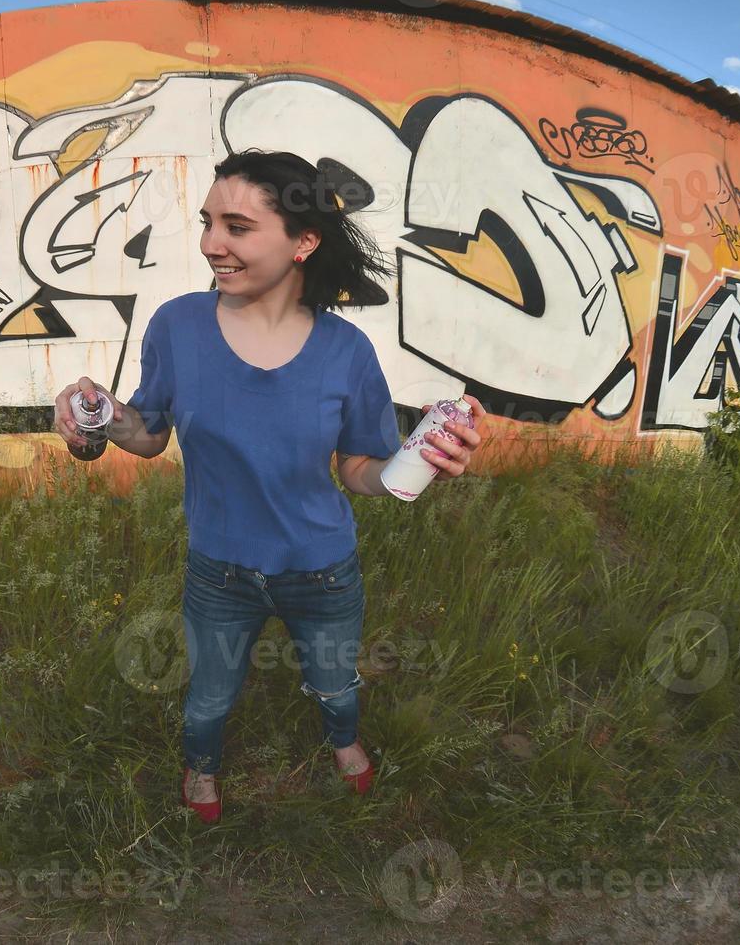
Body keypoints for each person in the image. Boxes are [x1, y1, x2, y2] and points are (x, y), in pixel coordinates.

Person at [52, 150, 483, 824]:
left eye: (236, 227)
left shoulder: (347, 353)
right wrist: (99, 415)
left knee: (336, 685)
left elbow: (357, 469)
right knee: (208, 699)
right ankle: (201, 772)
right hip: (218, 573)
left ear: (303, 241)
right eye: (207, 223)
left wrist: (416, 464)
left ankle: (344, 743)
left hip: (322, 571)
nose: (210, 244)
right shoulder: (178, 326)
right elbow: (149, 434)